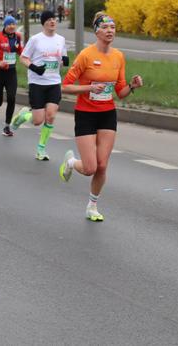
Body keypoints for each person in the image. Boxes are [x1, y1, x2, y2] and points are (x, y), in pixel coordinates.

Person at [59, 12, 143, 221]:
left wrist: (132, 86)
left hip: (107, 113)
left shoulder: (118, 56)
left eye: (113, 28)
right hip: (86, 114)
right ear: (96, 31)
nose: (110, 31)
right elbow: (65, 86)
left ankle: (92, 206)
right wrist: (89, 87)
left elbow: (120, 93)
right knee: (90, 168)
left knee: (102, 165)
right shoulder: (86, 55)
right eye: (105, 28)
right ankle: (71, 163)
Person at [10, 10, 68, 160]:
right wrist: (34, 67)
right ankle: (23, 115)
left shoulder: (61, 39)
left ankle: (41, 149)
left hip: (54, 82)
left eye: (54, 19)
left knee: (51, 116)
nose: (52, 22)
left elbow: (63, 57)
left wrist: (64, 61)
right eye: (49, 19)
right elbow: (23, 58)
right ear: (43, 22)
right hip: (37, 83)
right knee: (37, 121)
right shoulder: (36, 39)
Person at [0, 16, 24, 136]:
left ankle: (7, 126)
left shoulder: (18, 37)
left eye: (13, 24)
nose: (11, 26)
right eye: (9, 24)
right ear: (5, 26)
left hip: (11, 72)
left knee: (12, 98)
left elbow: (21, 50)